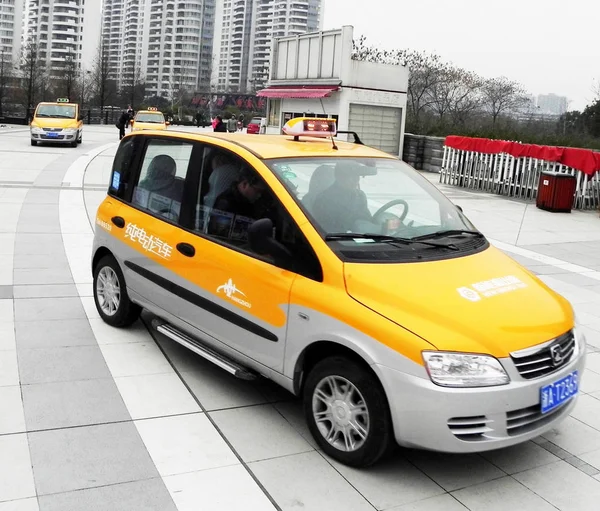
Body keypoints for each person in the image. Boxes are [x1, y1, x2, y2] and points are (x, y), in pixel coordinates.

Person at [311, 161, 373, 233]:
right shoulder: (323, 199)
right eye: (351, 176)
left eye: (357, 176)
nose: (356, 180)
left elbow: (366, 221)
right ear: (339, 177)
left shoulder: (360, 196)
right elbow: (325, 230)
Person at [207, 167, 268, 239]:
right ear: (245, 184)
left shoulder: (252, 202)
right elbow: (219, 234)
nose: (259, 195)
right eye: (258, 191)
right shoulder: (225, 203)